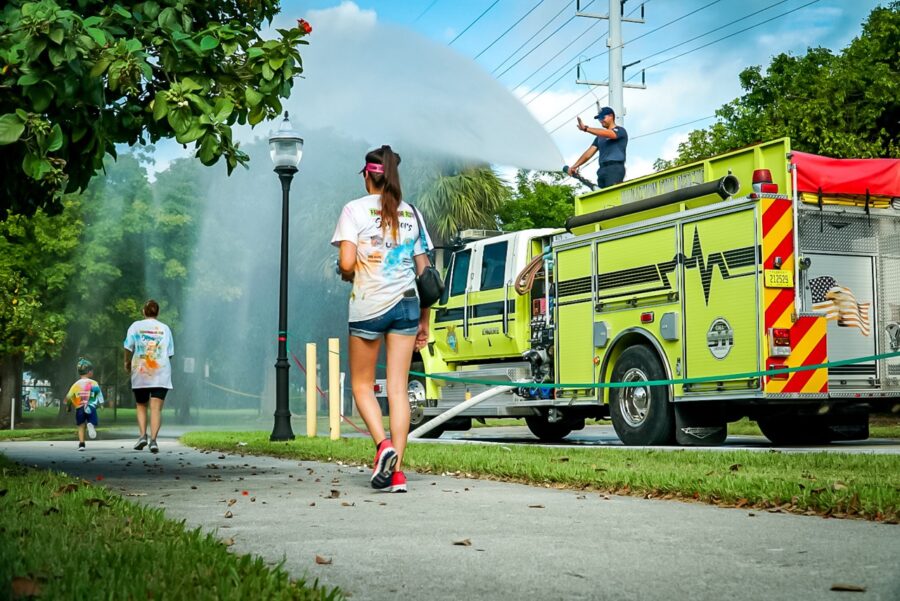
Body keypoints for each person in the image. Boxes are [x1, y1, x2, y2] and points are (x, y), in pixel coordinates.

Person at [331, 145, 433, 493]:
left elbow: (346, 264)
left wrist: (351, 271)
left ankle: (383, 446)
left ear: (367, 175)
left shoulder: (353, 210)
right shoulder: (411, 214)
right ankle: (398, 473)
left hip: (369, 305)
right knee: (398, 389)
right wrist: (425, 321)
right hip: (407, 305)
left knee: (361, 385)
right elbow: (426, 273)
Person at [124, 299, 174, 454]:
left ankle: (142, 436)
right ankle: (153, 440)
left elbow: (127, 346)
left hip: (141, 372)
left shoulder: (135, 326)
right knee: (156, 408)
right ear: (157, 313)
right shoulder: (165, 328)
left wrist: (126, 362)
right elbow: (170, 353)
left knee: (141, 405)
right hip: (161, 373)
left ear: (143, 312)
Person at [568, 106, 628, 189]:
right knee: (602, 197)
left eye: (603, 117)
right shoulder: (599, 137)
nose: (601, 120)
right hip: (602, 170)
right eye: (599, 119)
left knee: (611, 195)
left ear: (611, 116)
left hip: (614, 168)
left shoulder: (620, 131)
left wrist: (586, 128)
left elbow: (611, 134)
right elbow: (588, 153)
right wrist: (574, 166)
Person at [64, 359, 105, 451]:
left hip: (79, 408)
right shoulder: (94, 383)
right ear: (90, 372)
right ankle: (91, 424)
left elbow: (69, 397)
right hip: (91, 406)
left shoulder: (75, 385)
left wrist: (68, 406)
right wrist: (101, 404)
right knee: (92, 420)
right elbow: (99, 394)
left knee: (81, 426)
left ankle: (81, 444)